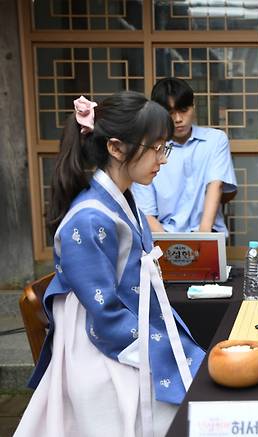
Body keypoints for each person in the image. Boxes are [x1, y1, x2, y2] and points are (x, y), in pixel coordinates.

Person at [15, 92, 205, 437]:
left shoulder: (123, 200)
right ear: (116, 148)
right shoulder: (89, 218)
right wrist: (156, 352)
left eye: (166, 147)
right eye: (157, 148)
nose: (163, 159)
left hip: (122, 323)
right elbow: (104, 314)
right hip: (100, 345)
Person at [132, 77, 238, 234]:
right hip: (163, 235)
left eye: (183, 110)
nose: (178, 119)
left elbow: (216, 185)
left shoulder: (215, 140)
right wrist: (168, 248)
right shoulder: (146, 149)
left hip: (207, 232)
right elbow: (146, 212)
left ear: (193, 106)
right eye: (170, 113)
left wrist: (204, 238)